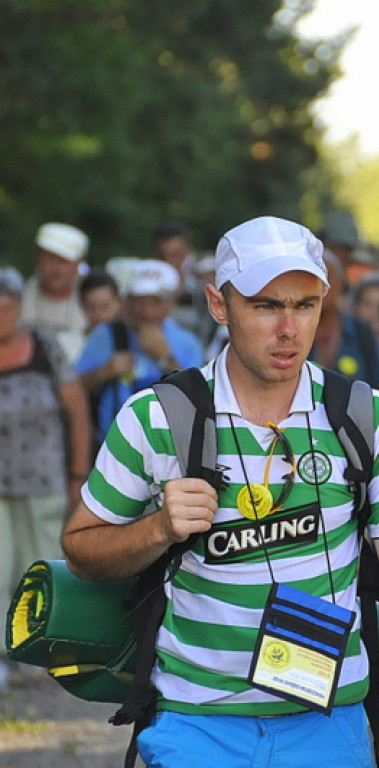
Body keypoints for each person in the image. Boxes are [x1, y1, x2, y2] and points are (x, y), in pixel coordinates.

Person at [61, 216, 379, 767]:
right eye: (266, 305)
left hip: (329, 725)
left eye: (305, 305)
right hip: (197, 726)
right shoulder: (158, 417)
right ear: (220, 306)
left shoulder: (365, 416)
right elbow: (81, 550)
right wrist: (158, 529)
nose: (288, 328)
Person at [0, 266, 91, 691]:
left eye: (7, 307)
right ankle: (3, 656)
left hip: (44, 479)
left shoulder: (44, 345)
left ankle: (38, 650)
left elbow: (76, 411)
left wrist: (78, 473)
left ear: (18, 308)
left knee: (38, 568)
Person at [77, 259, 204, 445]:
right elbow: (72, 390)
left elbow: (199, 400)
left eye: (156, 302)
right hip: (113, 448)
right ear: (127, 301)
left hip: (169, 449)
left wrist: (165, 358)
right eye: (139, 302)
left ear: (170, 303)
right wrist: (103, 371)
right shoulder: (105, 335)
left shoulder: (186, 342)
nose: (147, 311)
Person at [310, 250, 379, 403]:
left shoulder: (361, 333)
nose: (321, 287)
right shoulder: (291, 330)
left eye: (327, 279)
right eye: (314, 279)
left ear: (341, 283)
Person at [19, 222, 90, 362]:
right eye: (49, 259)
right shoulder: (17, 300)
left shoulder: (92, 301)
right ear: (37, 259)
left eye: (63, 261)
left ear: (77, 265)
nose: (56, 268)